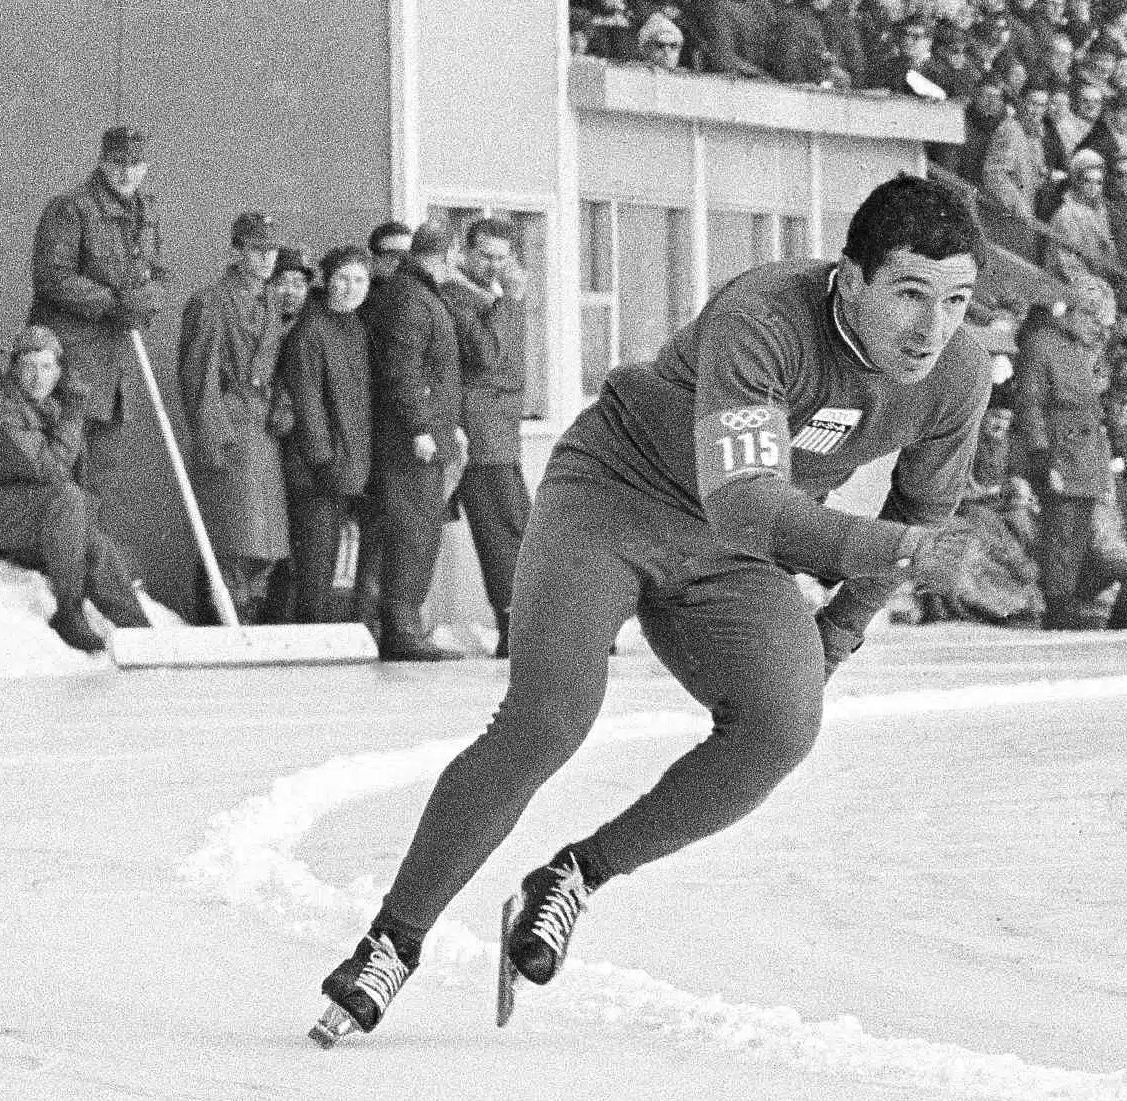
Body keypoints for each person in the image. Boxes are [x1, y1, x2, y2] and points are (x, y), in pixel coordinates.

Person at [316, 175, 989, 1042]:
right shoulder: (767, 317)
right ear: (851, 280)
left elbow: (921, 511)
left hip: (730, 553)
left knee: (785, 724)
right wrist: (897, 554)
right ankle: (392, 941)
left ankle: (573, 877)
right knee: (550, 718)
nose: (931, 330)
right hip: (617, 495)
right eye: (909, 295)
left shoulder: (957, 373)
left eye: (956, 302)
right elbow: (755, 502)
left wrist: (840, 631)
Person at [0, 325, 153, 653]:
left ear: (58, 372)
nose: (38, 377)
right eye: (29, 367)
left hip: (30, 516)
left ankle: (143, 634)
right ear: (15, 368)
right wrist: (73, 417)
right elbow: (49, 469)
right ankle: (69, 611)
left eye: (47, 367)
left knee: (95, 546)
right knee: (66, 499)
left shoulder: (50, 409)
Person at [361, 221, 469, 661]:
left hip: (426, 437)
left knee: (420, 531)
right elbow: (403, 370)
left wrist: (447, 424)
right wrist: (420, 429)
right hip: (412, 446)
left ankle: (405, 626)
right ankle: (402, 631)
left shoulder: (418, 294)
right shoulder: (413, 299)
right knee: (413, 533)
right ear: (443, 256)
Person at [29, 126, 167, 467]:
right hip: (70, 364)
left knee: (98, 478)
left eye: (135, 163)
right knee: (64, 469)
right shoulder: (71, 208)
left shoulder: (147, 213)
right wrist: (114, 303)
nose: (125, 172)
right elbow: (51, 277)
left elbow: (158, 273)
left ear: (146, 166)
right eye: (117, 162)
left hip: (114, 366)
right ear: (103, 162)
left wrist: (150, 298)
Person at [177, 211, 290, 622]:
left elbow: (279, 366)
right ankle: (228, 616)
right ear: (236, 250)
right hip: (229, 428)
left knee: (266, 544)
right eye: (257, 250)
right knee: (233, 538)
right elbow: (198, 375)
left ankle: (251, 611)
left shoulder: (272, 301)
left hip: (263, 429)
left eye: (271, 250)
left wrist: (282, 405)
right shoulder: (212, 300)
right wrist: (211, 437)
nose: (266, 259)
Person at [438, 217, 531, 652]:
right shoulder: (456, 297)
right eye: (485, 256)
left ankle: (527, 620)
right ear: (464, 253)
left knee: (517, 527)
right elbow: (491, 359)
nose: (494, 266)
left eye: (501, 257)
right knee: (501, 531)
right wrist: (512, 300)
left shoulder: (486, 299)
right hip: (480, 432)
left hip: (500, 429)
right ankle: (514, 624)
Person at [276, 245, 376, 624]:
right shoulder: (310, 331)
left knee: (332, 563)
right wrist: (324, 462)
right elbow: (308, 402)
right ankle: (308, 639)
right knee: (314, 568)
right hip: (317, 473)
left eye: (360, 280)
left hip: (344, 468)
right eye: (343, 279)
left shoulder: (355, 328)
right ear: (328, 281)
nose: (352, 288)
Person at [1012, 273, 1117, 629]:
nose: (1096, 324)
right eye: (1090, 315)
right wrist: (1041, 453)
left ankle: (1068, 597)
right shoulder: (1042, 344)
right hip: (1060, 449)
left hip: (1087, 451)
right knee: (1060, 529)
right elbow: (1029, 403)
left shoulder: (1087, 349)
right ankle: (1056, 603)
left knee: (1080, 531)